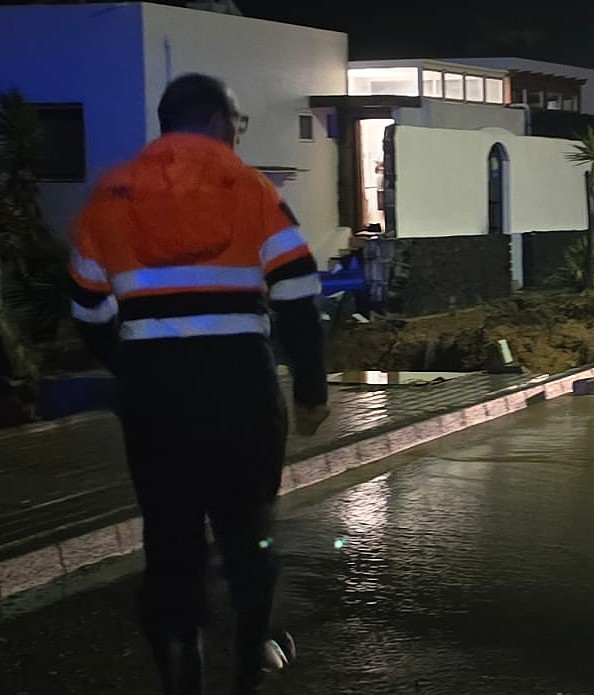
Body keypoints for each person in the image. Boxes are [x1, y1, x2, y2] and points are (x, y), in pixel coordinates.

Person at [68, 73, 330, 694]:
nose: (237, 136)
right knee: (249, 531)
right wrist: (311, 389)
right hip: (241, 387)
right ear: (215, 121)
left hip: (156, 394)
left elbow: (87, 307)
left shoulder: (111, 194)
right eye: (237, 124)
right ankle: (247, 667)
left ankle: (182, 673)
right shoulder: (251, 188)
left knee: (170, 540)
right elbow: (297, 292)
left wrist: (132, 366)